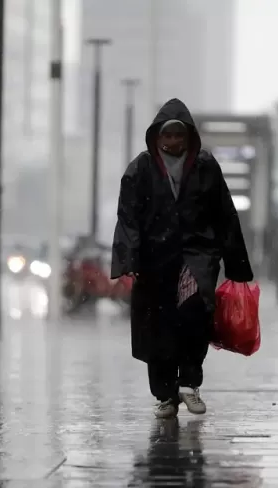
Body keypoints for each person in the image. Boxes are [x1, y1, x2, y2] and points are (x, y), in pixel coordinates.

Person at [111, 98, 254, 419]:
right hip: (154, 261)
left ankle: (189, 384)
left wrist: (236, 264)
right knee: (157, 327)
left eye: (179, 135)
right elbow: (128, 217)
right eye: (168, 135)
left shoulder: (206, 167)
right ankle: (165, 394)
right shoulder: (141, 169)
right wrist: (128, 260)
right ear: (156, 137)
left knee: (194, 318)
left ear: (189, 136)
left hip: (197, 258)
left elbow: (225, 215)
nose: (173, 141)